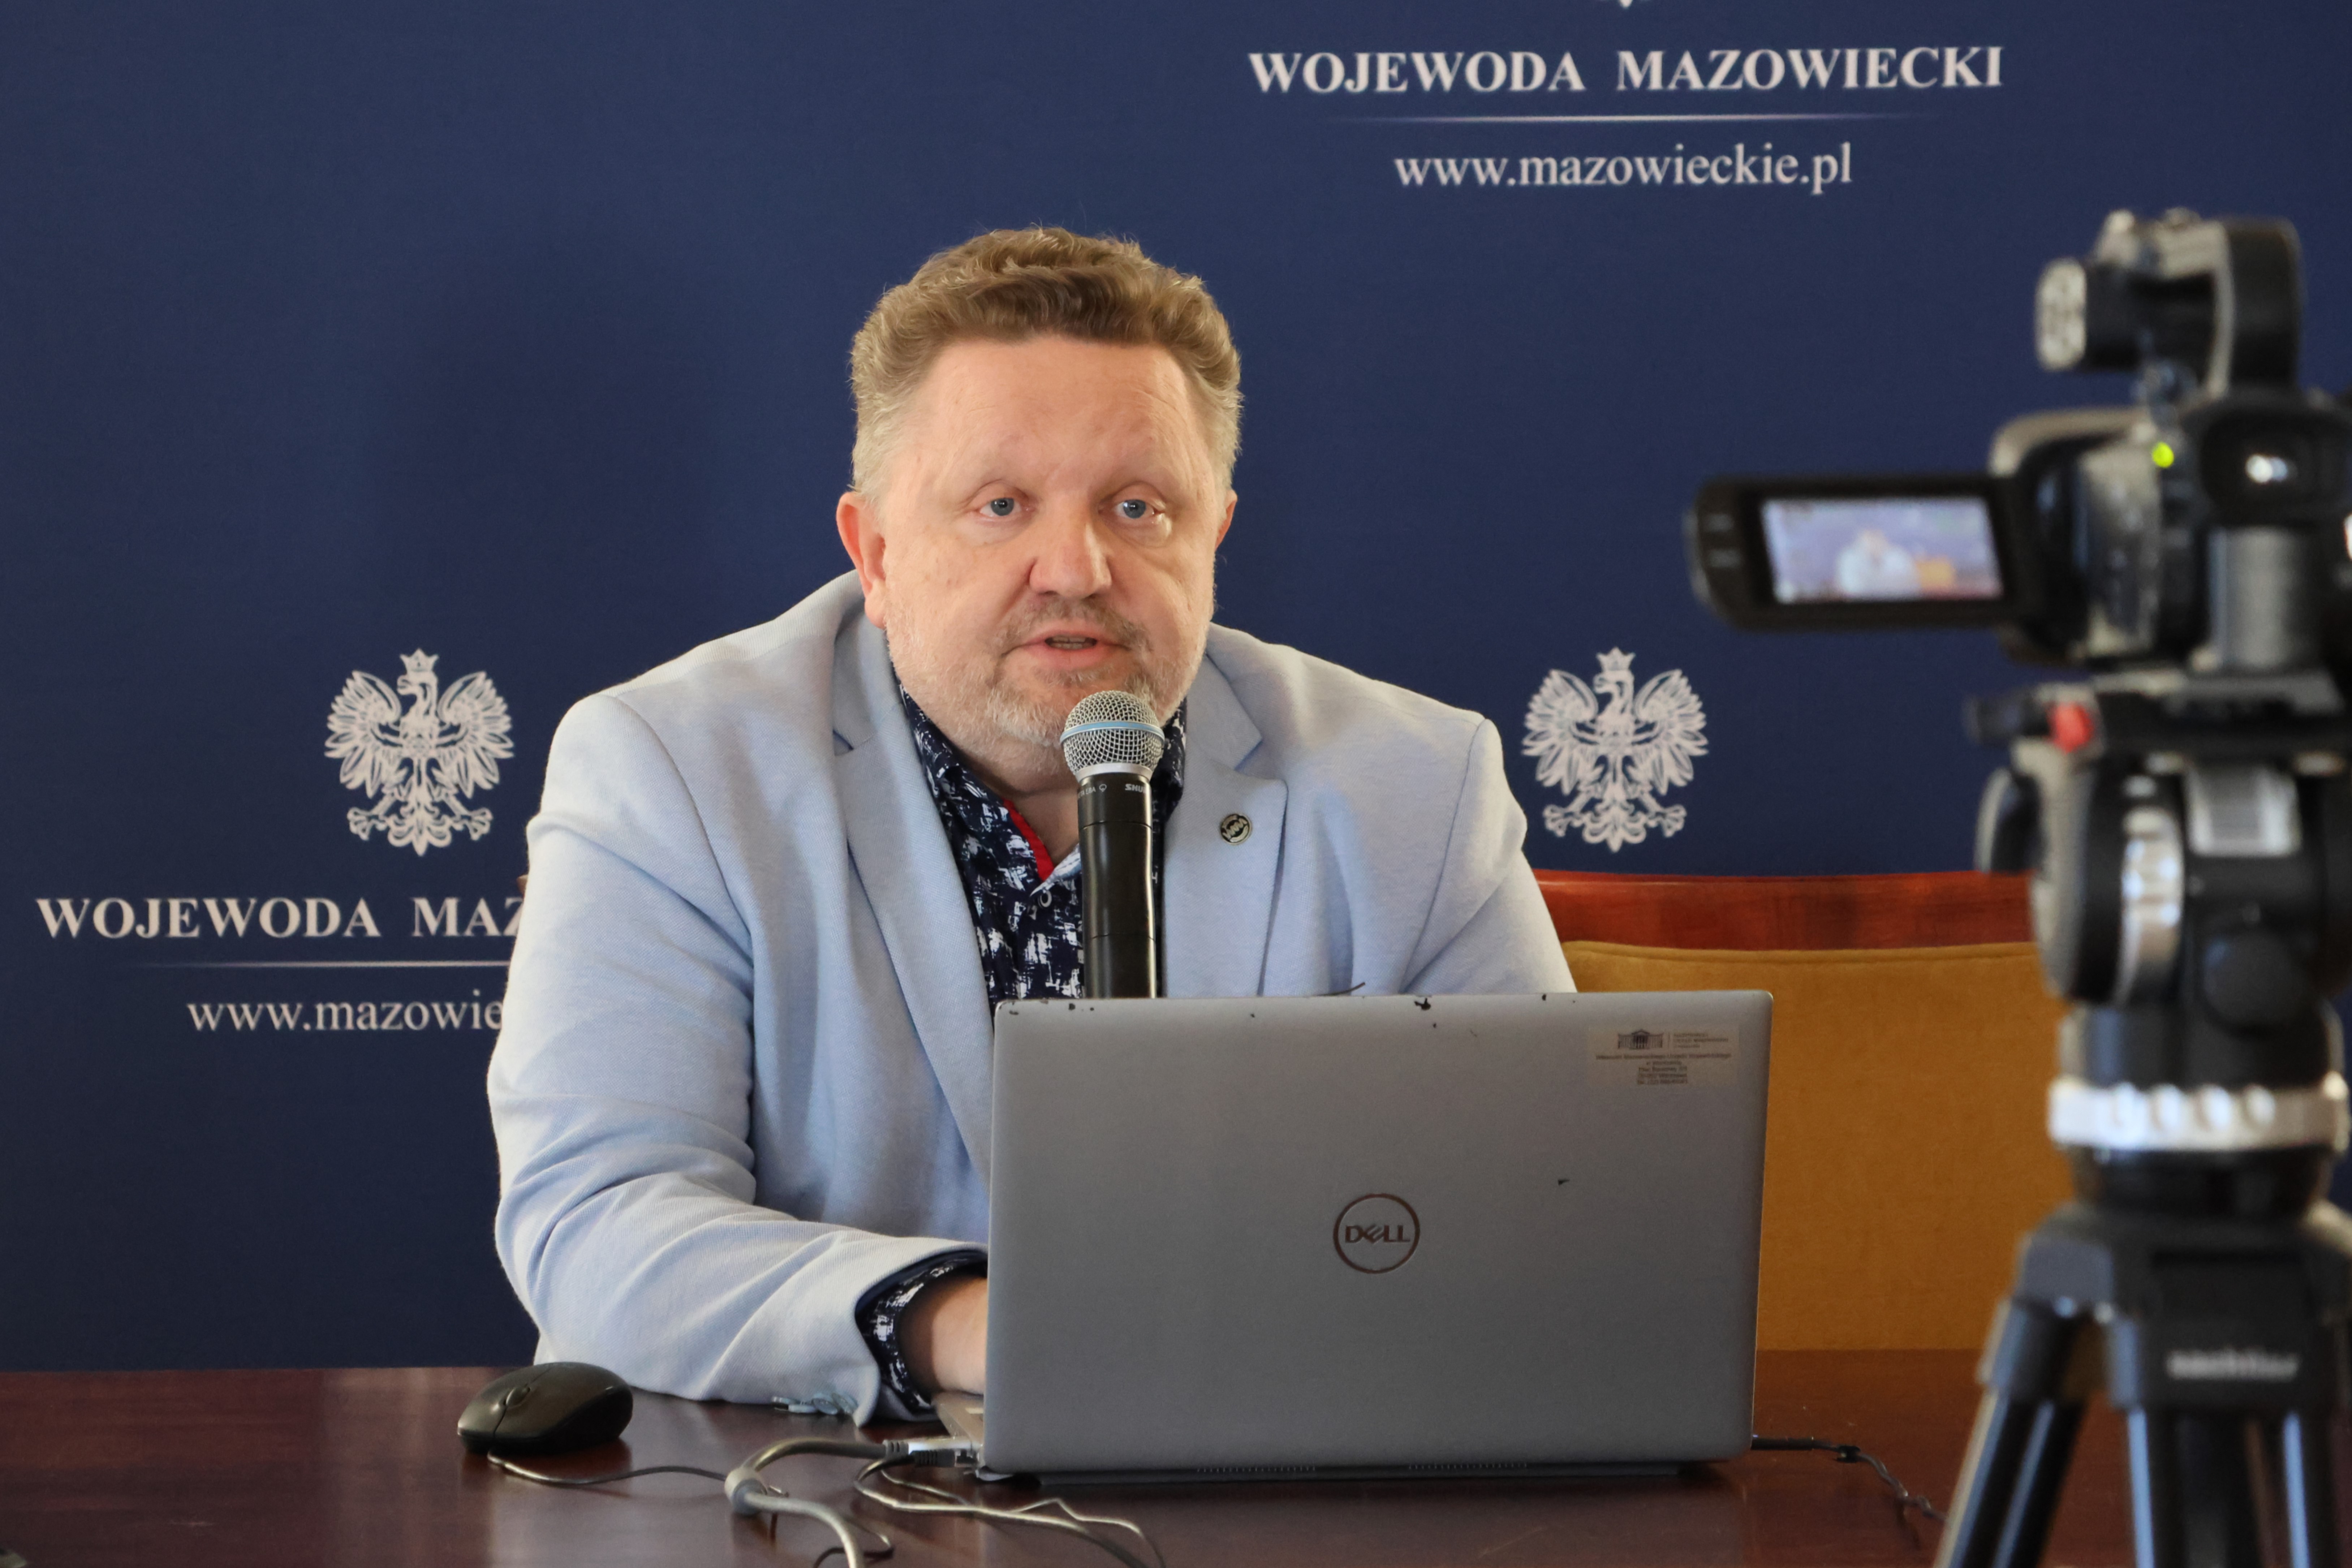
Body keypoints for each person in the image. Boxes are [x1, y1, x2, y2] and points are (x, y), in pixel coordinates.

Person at [488, 228, 1574, 1422]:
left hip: (1286, 1468)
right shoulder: (672, 770)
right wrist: (978, 1325)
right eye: (1001, 505)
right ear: (876, 553)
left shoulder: (1416, 788)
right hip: (816, 1490)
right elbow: (600, 1223)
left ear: (1212, 535)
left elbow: (1550, 1214)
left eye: (1138, 507)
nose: (1077, 566)